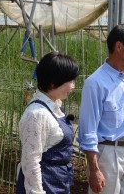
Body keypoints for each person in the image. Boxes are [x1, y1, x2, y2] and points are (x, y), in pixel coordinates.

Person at [77, 24, 124, 194]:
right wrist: (94, 170)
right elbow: (88, 131)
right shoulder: (95, 83)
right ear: (119, 47)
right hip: (107, 154)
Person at [16, 52, 79, 194]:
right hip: (45, 185)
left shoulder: (55, 106)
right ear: (53, 82)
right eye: (70, 81)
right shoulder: (37, 114)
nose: (73, 87)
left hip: (58, 182)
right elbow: (30, 162)